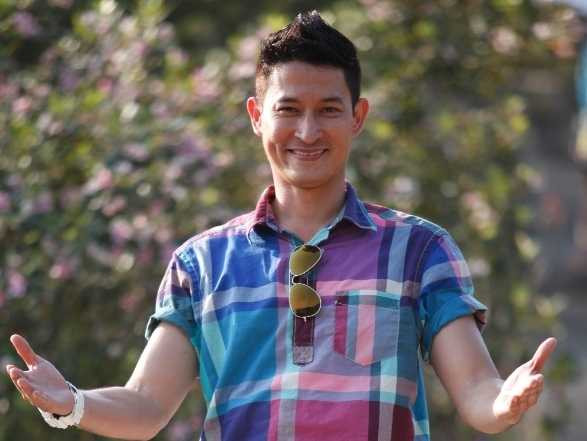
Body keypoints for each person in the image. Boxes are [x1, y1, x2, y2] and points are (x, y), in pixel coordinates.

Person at [5, 10, 557, 441]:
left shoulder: (419, 249)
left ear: (358, 117)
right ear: (256, 116)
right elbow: (147, 404)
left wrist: (502, 403)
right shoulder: (202, 264)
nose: (308, 132)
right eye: (289, 109)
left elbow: (476, 389)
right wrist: (73, 403)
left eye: (329, 110)